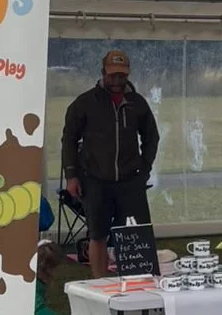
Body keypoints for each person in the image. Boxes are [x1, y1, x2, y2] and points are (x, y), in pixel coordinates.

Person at [60, 49, 160, 278]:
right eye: (113, 75)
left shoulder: (137, 103)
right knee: (98, 235)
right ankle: (100, 285)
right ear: (103, 72)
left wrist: (143, 169)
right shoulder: (84, 103)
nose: (117, 81)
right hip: (94, 180)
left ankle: (138, 281)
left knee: (136, 232)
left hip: (130, 181)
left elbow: (151, 137)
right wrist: (72, 175)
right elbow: (69, 139)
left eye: (122, 76)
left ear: (128, 75)